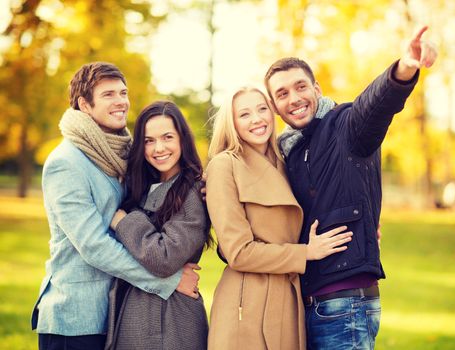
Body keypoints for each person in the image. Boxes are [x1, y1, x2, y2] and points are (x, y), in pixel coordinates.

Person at [263, 26, 437, 349]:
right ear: (275, 106)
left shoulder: (346, 126)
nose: (294, 98)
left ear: (316, 88)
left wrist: (405, 67)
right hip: (312, 304)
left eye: (300, 86)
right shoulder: (290, 152)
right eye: (282, 93)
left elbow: (375, 105)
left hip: (346, 304)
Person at [31, 62, 198, 350]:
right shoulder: (66, 163)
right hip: (75, 319)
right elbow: (94, 245)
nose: (121, 101)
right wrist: (168, 281)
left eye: (123, 92)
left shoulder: (116, 156)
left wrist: (203, 183)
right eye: (109, 94)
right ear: (85, 104)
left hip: (114, 315)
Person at [206, 86, 354, 350]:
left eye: (262, 109)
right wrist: (305, 253)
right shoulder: (224, 165)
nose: (257, 119)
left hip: (289, 297)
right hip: (247, 304)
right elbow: (238, 252)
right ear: (232, 123)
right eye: (245, 114)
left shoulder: (286, 163)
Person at [105, 101, 212, 350]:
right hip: (138, 315)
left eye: (167, 137)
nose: (159, 148)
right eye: (149, 140)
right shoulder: (140, 188)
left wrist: (124, 221)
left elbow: (164, 258)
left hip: (170, 322)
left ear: (182, 140)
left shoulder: (193, 190)